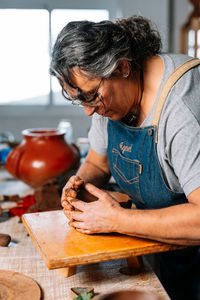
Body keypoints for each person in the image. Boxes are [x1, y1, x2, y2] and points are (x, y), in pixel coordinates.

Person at [50, 16, 200, 300]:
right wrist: (79, 187)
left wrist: (117, 220)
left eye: (91, 96)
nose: (88, 111)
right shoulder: (112, 98)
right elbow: (98, 163)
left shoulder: (182, 105)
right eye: (80, 100)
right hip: (168, 247)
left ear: (122, 67)